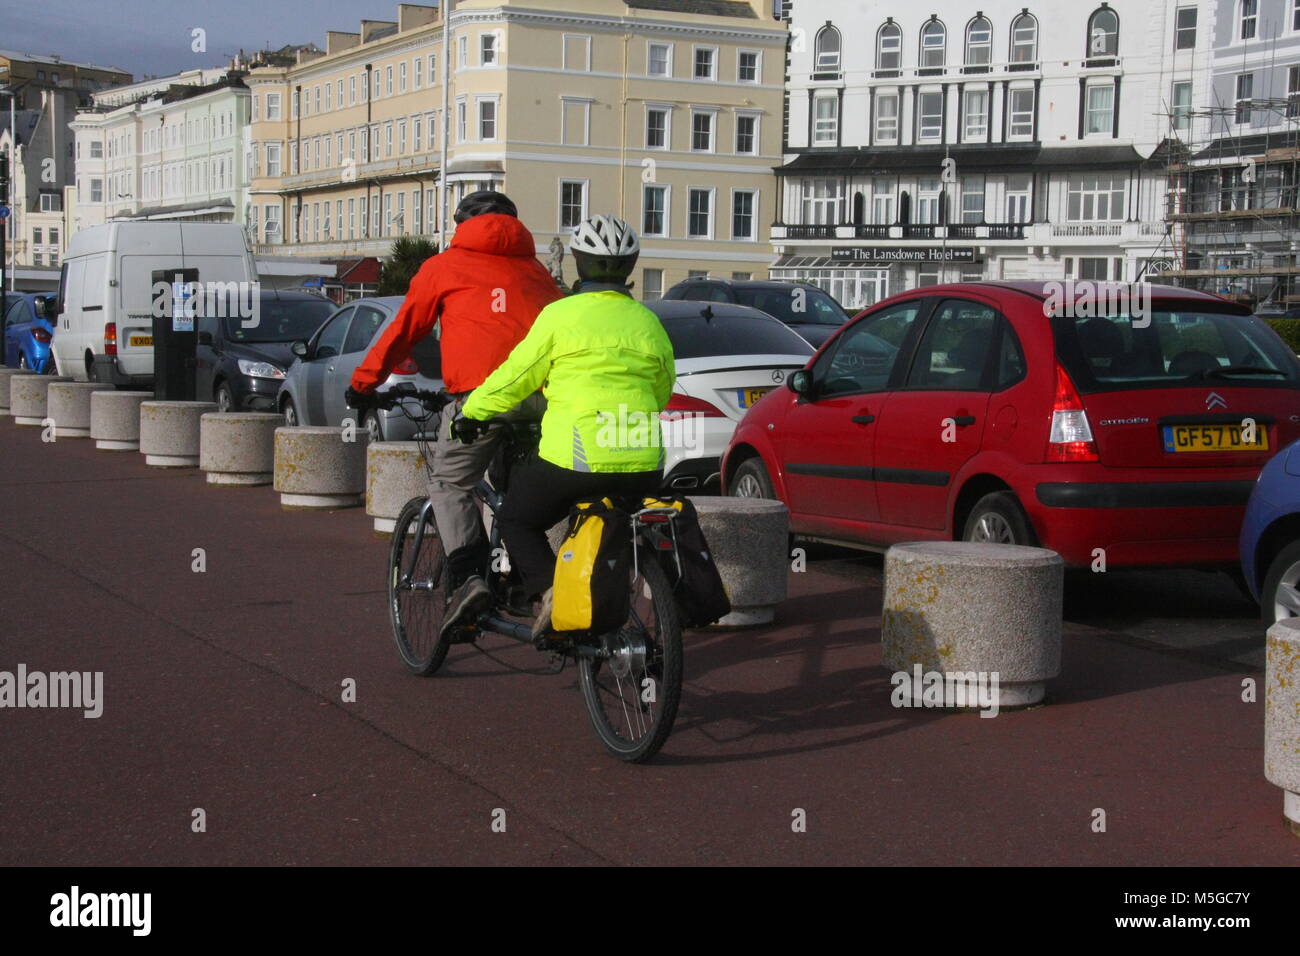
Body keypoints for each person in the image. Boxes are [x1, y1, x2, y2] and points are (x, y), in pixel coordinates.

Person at [346, 190, 562, 637]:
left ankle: (467, 580)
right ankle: (532, 586)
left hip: (481, 400)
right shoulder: (536, 271)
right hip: (543, 398)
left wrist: (363, 384)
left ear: (462, 225)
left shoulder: (444, 267)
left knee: (450, 482)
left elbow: (404, 330)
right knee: (516, 501)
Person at [451, 214, 675, 638]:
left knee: (519, 519)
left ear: (577, 261)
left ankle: (552, 594)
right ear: (630, 266)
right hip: (645, 461)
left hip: (579, 457)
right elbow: (662, 389)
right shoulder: (648, 321)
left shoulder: (561, 315)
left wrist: (473, 412)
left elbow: (517, 377)